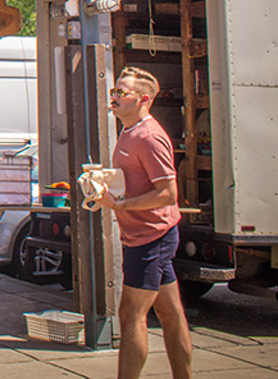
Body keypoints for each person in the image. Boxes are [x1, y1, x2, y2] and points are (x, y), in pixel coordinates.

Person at [95, 68, 191, 379]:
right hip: (143, 235)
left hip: (151, 237)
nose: (114, 97)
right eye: (114, 91)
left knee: (130, 314)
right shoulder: (128, 130)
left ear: (144, 99)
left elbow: (167, 194)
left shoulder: (148, 136)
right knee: (170, 313)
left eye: (121, 93)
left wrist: (119, 205)